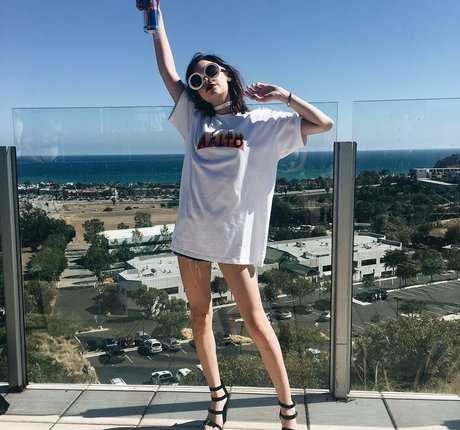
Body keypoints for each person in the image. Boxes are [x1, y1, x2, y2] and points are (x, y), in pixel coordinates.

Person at [136, 2, 333, 429]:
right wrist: (154, 18)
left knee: (257, 324)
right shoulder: (194, 119)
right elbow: (167, 72)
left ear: (228, 74)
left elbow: (323, 124)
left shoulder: (263, 122)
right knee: (199, 318)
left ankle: (287, 408)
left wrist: (284, 96)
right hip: (192, 235)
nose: (204, 80)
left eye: (211, 71)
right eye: (197, 79)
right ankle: (217, 396)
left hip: (234, 238)